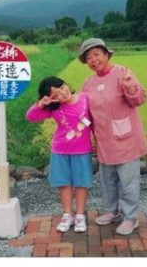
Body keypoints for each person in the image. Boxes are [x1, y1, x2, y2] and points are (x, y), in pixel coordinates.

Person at [78, 38, 147, 235]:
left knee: (128, 182)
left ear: (107, 54)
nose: (93, 60)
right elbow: (86, 114)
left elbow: (139, 99)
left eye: (97, 54)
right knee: (107, 180)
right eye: (88, 57)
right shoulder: (88, 83)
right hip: (103, 140)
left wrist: (129, 87)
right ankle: (111, 211)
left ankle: (130, 218)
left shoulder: (122, 74)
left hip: (126, 140)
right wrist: (81, 133)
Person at [25, 76, 93, 233]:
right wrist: (40, 104)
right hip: (60, 150)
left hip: (82, 150)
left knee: (81, 184)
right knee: (64, 184)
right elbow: (31, 117)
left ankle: (80, 216)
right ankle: (67, 215)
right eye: (56, 95)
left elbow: (97, 119)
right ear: (52, 99)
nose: (63, 93)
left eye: (62, 87)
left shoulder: (85, 98)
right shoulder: (53, 109)